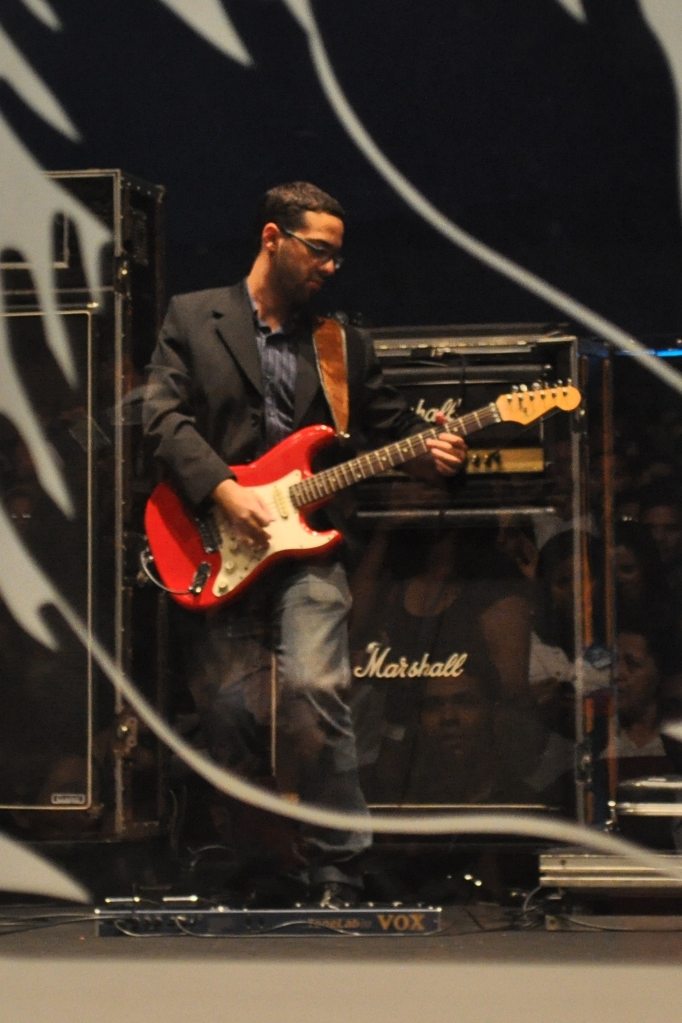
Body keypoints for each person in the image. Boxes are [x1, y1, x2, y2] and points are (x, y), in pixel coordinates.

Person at [141, 181, 466, 906]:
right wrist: (224, 490)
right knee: (228, 714)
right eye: (318, 251)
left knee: (316, 689)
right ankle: (262, 863)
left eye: (336, 256)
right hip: (212, 540)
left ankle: (337, 867)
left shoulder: (341, 344)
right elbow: (161, 417)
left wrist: (434, 453)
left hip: (308, 550)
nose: (329, 267)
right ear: (272, 238)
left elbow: (389, 429)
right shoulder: (194, 316)